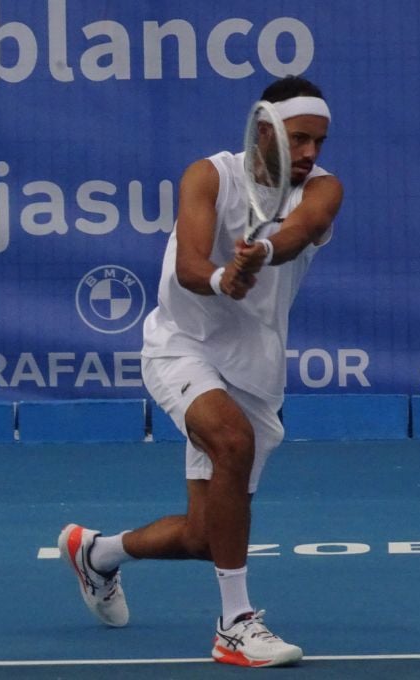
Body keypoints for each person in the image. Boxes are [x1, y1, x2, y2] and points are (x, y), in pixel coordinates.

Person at [58, 75, 342, 668]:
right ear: (264, 131)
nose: (311, 152)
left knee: (206, 536)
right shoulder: (209, 176)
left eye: (319, 140)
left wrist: (264, 252)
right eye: (299, 138)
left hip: (255, 370)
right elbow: (189, 265)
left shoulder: (323, 189)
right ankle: (235, 626)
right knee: (231, 441)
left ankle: (97, 554)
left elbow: (300, 232)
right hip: (182, 347)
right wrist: (221, 277)